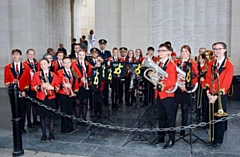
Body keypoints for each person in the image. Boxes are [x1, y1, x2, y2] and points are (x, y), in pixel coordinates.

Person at [205, 42, 233, 149]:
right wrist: (208, 92)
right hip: (211, 94)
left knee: (219, 117)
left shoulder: (229, 65)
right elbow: (208, 78)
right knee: (211, 116)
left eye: (219, 49)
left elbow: (227, 82)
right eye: (215, 49)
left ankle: (218, 140)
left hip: (221, 95)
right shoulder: (211, 63)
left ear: (225, 50)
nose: (217, 51)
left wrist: (217, 95)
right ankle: (212, 138)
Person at [152, 43, 177, 149]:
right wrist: (152, 77)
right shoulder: (158, 63)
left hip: (168, 95)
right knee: (161, 117)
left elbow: (172, 81)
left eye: (162, 50)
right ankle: (160, 137)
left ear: (168, 52)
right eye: (159, 51)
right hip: (159, 95)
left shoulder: (171, 64)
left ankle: (171, 139)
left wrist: (160, 86)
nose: (160, 53)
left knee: (170, 118)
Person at [31, 58, 59, 142]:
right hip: (41, 98)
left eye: (44, 64)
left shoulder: (54, 75)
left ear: (48, 64)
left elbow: (57, 86)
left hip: (51, 97)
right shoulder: (36, 75)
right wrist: (40, 87)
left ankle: (51, 133)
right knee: (42, 116)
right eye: (41, 64)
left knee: (51, 116)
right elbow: (32, 86)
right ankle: (43, 134)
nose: (43, 66)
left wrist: (52, 88)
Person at [4, 49, 31, 134]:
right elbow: (6, 80)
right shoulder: (8, 67)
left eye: (17, 54)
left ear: (21, 56)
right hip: (13, 92)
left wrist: (24, 91)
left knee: (23, 110)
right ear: (12, 56)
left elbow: (28, 81)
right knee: (14, 110)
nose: (15, 56)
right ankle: (16, 128)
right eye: (14, 55)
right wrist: (11, 85)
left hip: (22, 93)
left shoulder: (26, 67)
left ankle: (22, 127)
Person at [173, 45, 198, 137]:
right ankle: (171, 128)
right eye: (182, 51)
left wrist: (187, 86)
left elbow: (195, 77)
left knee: (185, 109)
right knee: (174, 108)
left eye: (186, 51)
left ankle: (182, 130)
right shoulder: (177, 62)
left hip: (186, 89)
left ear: (189, 53)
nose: (184, 53)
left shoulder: (193, 63)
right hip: (177, 88)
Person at [57, 57, 78, 134]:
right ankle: (65, 128)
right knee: (64, 111)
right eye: (65, 63)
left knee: (70, 110)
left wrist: (74, 91)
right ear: (62, 64)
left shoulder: (73, 71)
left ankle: (70, 127)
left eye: (68, 62)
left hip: (71, 94)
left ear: (71, 63)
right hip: (63, 94)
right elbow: (57, 83)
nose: (67, 64)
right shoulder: (59, 72)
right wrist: (64, 85)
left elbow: (75, 82)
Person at [72, 49, 92, 124]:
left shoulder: (87, 64)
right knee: (77, 102)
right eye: (80, 55)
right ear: (77, 55)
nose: (81, 56)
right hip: (78, 85)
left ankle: (84, 118)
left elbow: (90, 72)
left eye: (83, 55)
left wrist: (87, 78)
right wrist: (80, 79)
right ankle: (78, 119)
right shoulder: (74, 64)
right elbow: (73, 73)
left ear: (85, 55)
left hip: (86, 85)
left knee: (85, 102)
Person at [23, 49, 41, 128]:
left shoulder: (37, 63)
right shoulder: (24, 64)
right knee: (28, 105)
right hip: (28, 86)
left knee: (35, 104)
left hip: (35, 85)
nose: (31, 56)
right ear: (27, 55)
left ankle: (35, 120)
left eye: (32, 54)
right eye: (29, 54)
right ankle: (29, 121)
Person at [98, 39, 112, 106]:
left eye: (103, 44)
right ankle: (100, 99)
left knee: (106, 86)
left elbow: (109, 61)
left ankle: (106, 100)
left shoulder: (108, 52)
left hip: (106, 71)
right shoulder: (97, 52)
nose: (102, 46)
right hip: (99, 71)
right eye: (101, 44)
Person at [196, 53, 209, 123]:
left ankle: (205, 118)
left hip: (204, 87)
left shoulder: (207, 66)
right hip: (198, 86)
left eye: (202, 58)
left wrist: (204, 79)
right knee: (198, 101)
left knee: (204, 102)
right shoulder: (197, 66)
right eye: (200, 58)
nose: (201, 60)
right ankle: (198, 116)